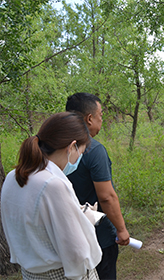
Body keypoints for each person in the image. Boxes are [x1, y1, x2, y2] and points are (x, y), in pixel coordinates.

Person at [1, 112, 102, 280]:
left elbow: (34, 224)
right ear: (72, 147)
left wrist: (77, 215)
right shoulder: (53, 184)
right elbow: (76, 251)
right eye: (81, 152)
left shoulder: (13, 176)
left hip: (30, 273)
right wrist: (86, 222)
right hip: (61, 274)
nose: (79, 158)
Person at [66, 92, 130, 280]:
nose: (102, 120)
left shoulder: (54, 147)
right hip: (97, 236)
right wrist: (121, 229)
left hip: (66, 235)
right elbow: (106, 197)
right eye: (101, 115)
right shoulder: (94, 150)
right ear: (89, 118)